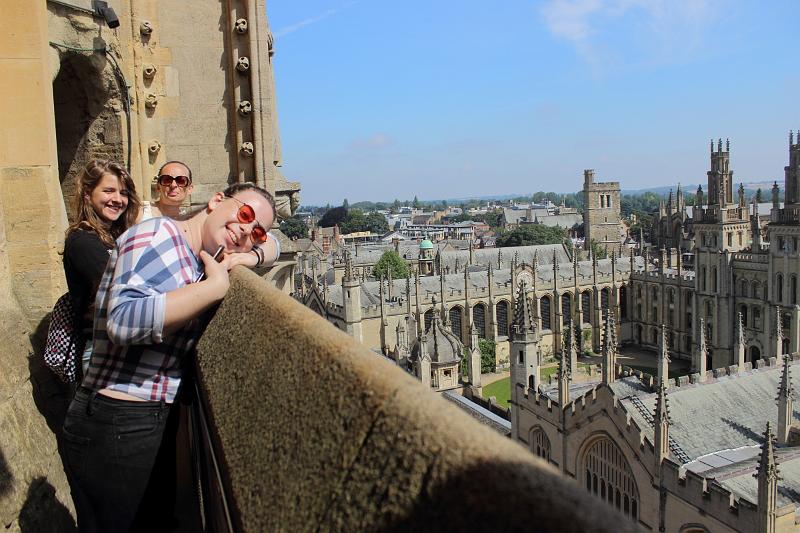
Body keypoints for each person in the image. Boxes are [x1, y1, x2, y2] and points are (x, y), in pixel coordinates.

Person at [61, 183, 279, 531]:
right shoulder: (160, 234)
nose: (245, 230)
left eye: (256, 231)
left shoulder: (198, 252)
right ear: (217, 200)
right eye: (244, 214)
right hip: (114, 419)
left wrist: (249, 253)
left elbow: (275, 247)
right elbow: (122, 321)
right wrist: (212, 289)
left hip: (139, 418)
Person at [62, 159, 141, 376]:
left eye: (123, 193)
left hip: (123, 346)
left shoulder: (116, 236)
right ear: (88, 193)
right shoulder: (82, 240)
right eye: (108, 191)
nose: (118, 199)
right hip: (102, 351)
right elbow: (126, 287)